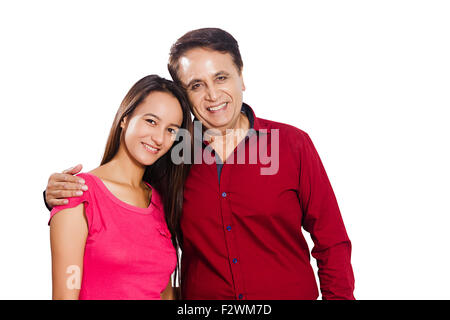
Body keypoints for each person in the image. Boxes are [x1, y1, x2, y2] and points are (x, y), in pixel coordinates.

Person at [45, 28, 355, 300]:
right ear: (185, 95)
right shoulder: (169, 155)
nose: (212, 95)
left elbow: (332, 241)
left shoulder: (292, 144)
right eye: (196, 85)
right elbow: (120, 199)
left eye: (221, 77)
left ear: (242, 76)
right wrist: (59, 196)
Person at [48, 75, 192, 299]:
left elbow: (161, 292)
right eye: (151, 121)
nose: (159, 138)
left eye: (171, 130)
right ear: (125, 118)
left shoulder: (162, 202)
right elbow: (65, 295)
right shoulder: (78, 193)